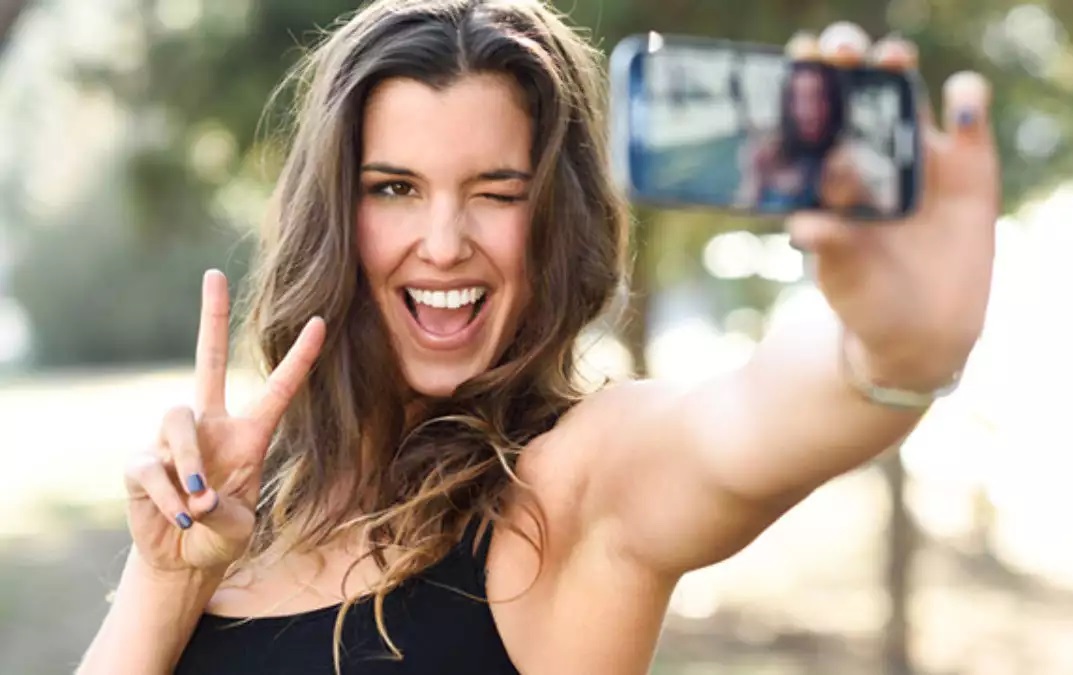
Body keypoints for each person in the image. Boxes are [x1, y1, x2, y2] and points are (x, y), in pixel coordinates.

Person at [78, 1, 998, 673]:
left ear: (552, 217)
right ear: (333, 214)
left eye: (497, 191)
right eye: (395, 188)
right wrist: (166, 576)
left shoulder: (566, 485)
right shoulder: (246, 499)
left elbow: (747, 424)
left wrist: (894, 344)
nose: (445, 242)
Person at [737, 60, 845, 211]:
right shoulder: (768, 153)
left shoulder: (844, 161)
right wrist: (754, 174)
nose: (809, 111)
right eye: (800, 99)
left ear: (833, 104)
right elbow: (744, 208)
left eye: (817, 98)